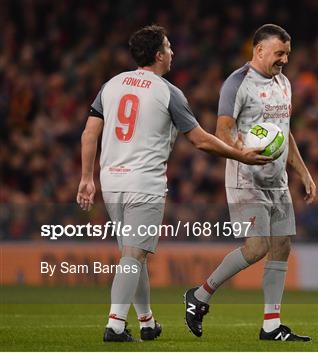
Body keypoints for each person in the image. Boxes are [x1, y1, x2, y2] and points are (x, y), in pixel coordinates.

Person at [77, 25, 271, 342]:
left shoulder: (110, 86)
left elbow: (89, 133)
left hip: (111, 182)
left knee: (132, 254)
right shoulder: (167, 91)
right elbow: (199, 140)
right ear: (158, 55)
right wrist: (240, 155)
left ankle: (147, 321)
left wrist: (87, 178)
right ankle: (114, 325)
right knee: (133, 256)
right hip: (144, 184)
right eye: (168, 47)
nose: (172, 52)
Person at [184, 24, 316, 342]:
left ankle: (271, 325)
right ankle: (199, 296)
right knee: (257, 248)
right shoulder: (237, 83)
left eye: (287, 53)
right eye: (279, 53)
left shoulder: (284, 83)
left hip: (277, 180)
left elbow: (284, 133)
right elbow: (223, 130)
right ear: (259, 50)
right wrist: (241, 153)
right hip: (246, 177)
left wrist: (303, 172)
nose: (284, 59)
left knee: (281, 247)